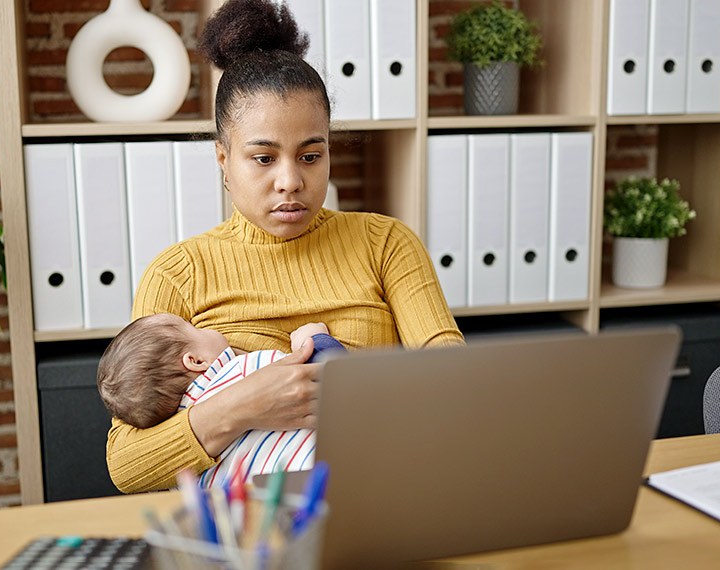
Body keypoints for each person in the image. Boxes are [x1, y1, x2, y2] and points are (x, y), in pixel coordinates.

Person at [106, 0, 465, 493]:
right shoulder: (178, 274)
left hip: (382, 495)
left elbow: (458, 384)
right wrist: (246, 404)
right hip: (245, 530)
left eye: (311, 155)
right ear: (223, 159)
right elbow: (127, 466)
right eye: (263, 158)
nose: (290, 181)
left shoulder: (387, 244)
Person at [97, 313, 343, 488]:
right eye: (195, 327)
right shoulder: (243, 369)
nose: (209, 330)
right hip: (326, 478)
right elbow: (333, 382)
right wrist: (315, 340)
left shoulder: (187, 469)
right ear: (195, 361)